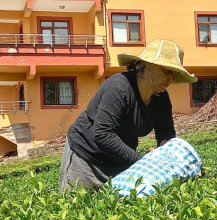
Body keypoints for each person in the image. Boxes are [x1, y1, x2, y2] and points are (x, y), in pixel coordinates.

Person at [59, 39, 198, 192]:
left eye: (175, 74)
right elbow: (102, 134)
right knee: (77, 208)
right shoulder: (118, 88)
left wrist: (163, 154)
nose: (172, 78)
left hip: (120, 161)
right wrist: (142, 162)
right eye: (168, 71)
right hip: (87, 158)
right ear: (149, 65)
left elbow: (166, 132)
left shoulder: (161, 98)